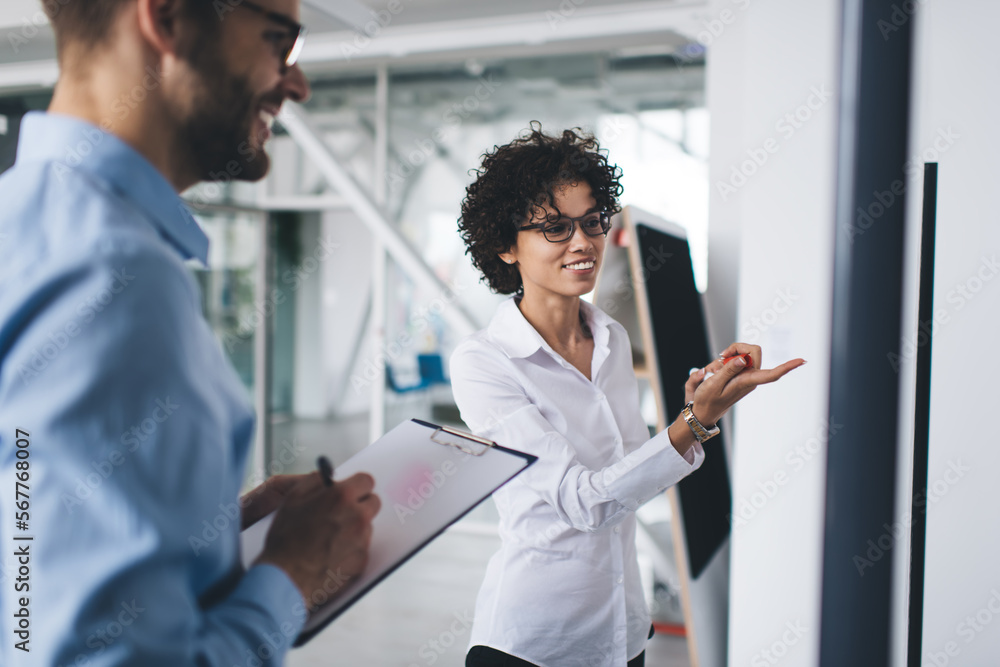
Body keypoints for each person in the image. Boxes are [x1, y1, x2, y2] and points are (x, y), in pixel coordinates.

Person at [0, 1, 380, 665]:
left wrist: (208, 533)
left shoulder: (24, 217)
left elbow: (23, 560)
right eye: (280, 42)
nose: (296, 83)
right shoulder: (114, 276)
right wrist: (293, 573)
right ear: (168, 19)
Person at [451, 124, 805, 667]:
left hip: (623, 635)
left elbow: (633, 478)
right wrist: (693, 421)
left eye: (592, 221)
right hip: (532, 644)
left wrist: (695, 408)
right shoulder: (484, 362)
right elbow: (584, 503)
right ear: (505, 246)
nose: (583, 243)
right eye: (555, 227)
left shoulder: (611, 339)